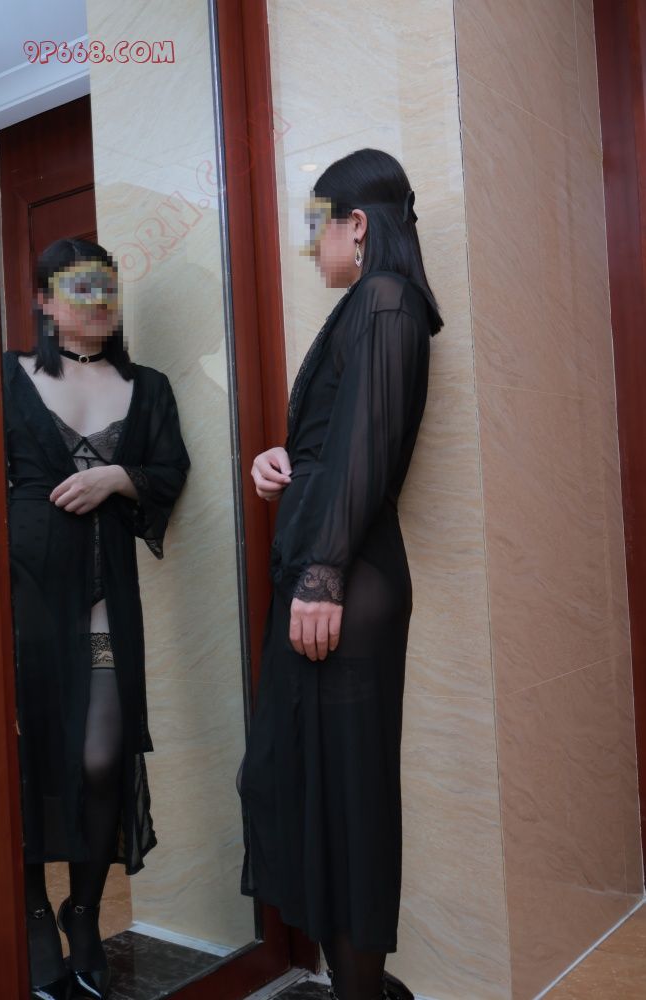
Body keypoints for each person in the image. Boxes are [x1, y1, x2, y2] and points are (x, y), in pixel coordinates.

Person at [239, 149, 443, 1000]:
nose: (308, 247)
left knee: (348, 805)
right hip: (331, 572)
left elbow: (370, 451)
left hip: (343, 585)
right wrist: (286, 461)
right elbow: (344, 439)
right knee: (303, 787)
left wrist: (321, 574)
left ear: (356, 225)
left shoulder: (386, 300)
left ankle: (362, 993)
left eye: (314, 227)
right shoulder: (369, 305)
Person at [2, 238, 190, 1000]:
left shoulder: (148, 387)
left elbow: (170, 472)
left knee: (102, 756)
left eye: (106, 287)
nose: (97, 300)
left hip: (105, 594)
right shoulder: (5, 376)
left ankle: (83, 910)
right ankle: (30, 915)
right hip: (19, 602)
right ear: (44, 301)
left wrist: (118, 477)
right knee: (21, 764)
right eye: (78, 288)